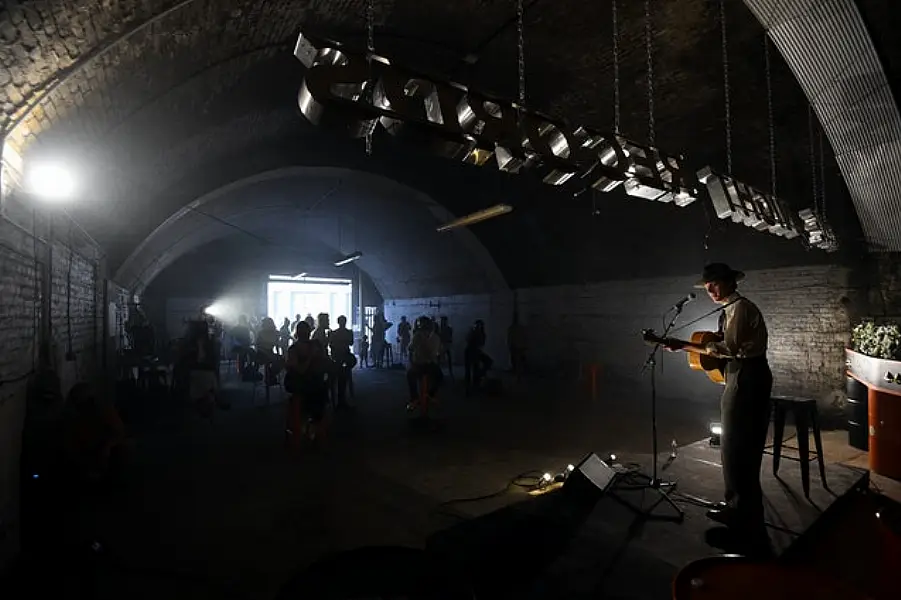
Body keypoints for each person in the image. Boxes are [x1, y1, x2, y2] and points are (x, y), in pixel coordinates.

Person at [663, 263, 771, 550]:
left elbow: (728, 349)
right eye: (707, 285)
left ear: (729, 282)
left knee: (738, 447)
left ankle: (744, 523)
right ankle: (736, 507)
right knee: (733, 446)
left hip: (747, 375)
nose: (710, 289)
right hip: (741, 373)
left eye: (715, 283)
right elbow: (725, 345)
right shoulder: (730, 310)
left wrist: (684, 346)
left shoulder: (741, 309)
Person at [406, 316, 444, 411]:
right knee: (440, 377)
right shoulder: (436, 337)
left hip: (419, 365)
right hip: (431, 365)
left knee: (410, 375)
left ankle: (414, 398)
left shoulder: (417, 336)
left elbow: (410, 348)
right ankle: (430, 394)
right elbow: (439, 352)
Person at [328, 315, 356, 407]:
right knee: (344, 373)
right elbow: (351, 343)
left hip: (338, 358)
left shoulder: (334, 333)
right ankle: (342, 399)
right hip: (344, 358)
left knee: (341, 374)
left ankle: (339, 398)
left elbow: (331, 345)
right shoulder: (348, 332)